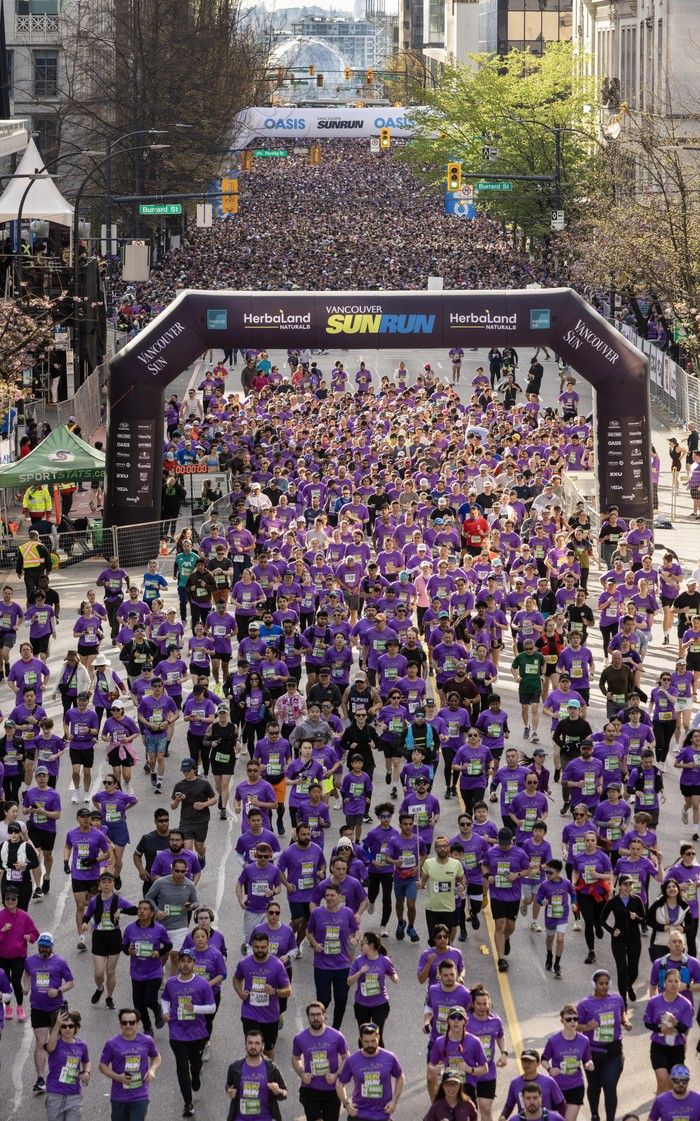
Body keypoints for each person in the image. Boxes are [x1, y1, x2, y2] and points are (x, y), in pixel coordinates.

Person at [161, 948, 215, 1117]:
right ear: (178, 963)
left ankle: (196, 1075)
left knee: (195, 1064)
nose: (185, 965)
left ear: (194, 964)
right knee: (182, 1068)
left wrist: (195, 1008)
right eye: (182, 961)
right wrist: (165, 1012)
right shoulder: (171, 983)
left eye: (188, 961)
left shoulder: (202, 984)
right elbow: (165, 999)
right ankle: (188, 1102)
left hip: (197, 1033)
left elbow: (211, 1007)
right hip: (177, 1033)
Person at [23, 931, 75, 1095]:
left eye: (46, 947)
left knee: (57, 1043)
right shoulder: (30, 961)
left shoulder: (60, 962)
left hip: (56, 1009)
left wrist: (58, 991)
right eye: (41, 946)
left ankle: (59, 1074)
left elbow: (71, 982)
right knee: (40, 1042)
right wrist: (25, 986)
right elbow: (26, 974)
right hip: (37, 1007)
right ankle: (40, 1079)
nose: (43, 949)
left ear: (52, 946)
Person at [576, 969, 631, 1121]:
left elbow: (622, 1013)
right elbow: (575, 1025)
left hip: (613, 1052)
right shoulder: (584, 1004)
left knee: (609, 1085)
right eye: (601, 983)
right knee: (594, 1086)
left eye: (607, 983)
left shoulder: (617, 999)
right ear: (594, 984)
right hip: (592, 1053)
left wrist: (625, 1022)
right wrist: (587, 1027)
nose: (605, 986)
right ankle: (594, 1114)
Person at [306, 883, 359, 1031]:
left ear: (340, 897)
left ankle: (335, 1029)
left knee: (341, 999)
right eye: (327, 896)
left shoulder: (347, 913)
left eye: (332, 895)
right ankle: (321, 1023)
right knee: (324, 999)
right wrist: (315, 944)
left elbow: (357, 929)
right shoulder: (317, 913)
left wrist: (356, 939)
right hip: (322, 965)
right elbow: (308, 932)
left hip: (342, 964)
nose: (329, 898)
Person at [82, 869, 138, 1010]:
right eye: (104, 882)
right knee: (99, 972)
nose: (106, 885)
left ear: (113, 884)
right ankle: (100, 988)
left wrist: (121, 910)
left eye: (109, 882)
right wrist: (84, 923)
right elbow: (87, 916)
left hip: (114, 936)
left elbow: (135, 910)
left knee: (110, 971)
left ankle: (109, 997)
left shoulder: (118, 900)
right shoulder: (94, 901)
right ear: (99, 884)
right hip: (99, 937)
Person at [232, 930, 291, 1058]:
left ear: (268, 946)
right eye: (257, 947)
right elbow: (236, 979)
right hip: (250, 1014)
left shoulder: (277, 965)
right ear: (252, 946)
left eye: (263, 947)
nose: (260, 950)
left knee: (268, 1051)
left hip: (270, 1016)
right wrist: (240, 992)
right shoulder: (244, 963)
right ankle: (254, 1069)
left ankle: (269, 1069)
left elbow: (288, 990)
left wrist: (274, 991)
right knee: (253, 1048)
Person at [99, 1007, 161, 1121]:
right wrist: (118, 1077)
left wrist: (152, 1070)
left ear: (138, 1024)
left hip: (140, 1095)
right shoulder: (111, 1043)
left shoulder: (147, 1041)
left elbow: (156, 1057)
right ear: (120, 1024)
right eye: (124, 1023)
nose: (128, 1025)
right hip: (119, 1096)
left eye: (132, 1022)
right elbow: (102, 1066)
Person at [121, 899, 172, 1036]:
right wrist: (129, 951)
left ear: (152, 913)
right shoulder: (130, 928)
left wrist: (159, 952)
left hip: (154, 972)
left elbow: (168, 945)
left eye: (145, 909)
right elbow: (124, 946)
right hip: (136, 972)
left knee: (149, 999)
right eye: (140, 909)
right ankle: (147, 1027)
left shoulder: (159, 929)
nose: (142, 911)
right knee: (138, 1004)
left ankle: (157, 1009)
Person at [292, 1000, 349, 1121]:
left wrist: (336, 1075)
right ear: (308, 1017)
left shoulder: (337, 1036)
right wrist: (302, 1074)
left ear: (324, 1015)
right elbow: (295, 1058)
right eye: (312, 1015)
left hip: (331, 1089)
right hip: (310, 1088)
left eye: (318, 1014)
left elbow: (346, 1057)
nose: (316, 1018)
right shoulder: (300, 1038)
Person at [336, 1022, 404, 1119]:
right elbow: (340, 1083)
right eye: (366, 1042)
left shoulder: (389, 1057)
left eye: (373, 1041)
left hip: (382, 1114)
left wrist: (394, 1101)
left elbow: (400, 1077)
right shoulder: (352, 1060)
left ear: (378, 1038)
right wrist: (347, 1104)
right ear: (361, 1040)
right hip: (359, 1114)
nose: (370, 1045)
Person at [644, 968, 694, 1093]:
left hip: (677, 1048)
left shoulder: (686, 1004)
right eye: (670, 981)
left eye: (676, 981)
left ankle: (663, 1103)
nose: (673, 984)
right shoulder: (654, 1001)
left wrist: (675, 1022)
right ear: (664, 983)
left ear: (679, 983)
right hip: (659, 1046)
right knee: (662, 1082)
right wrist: (660, 1028)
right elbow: (647, 1022)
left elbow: (685, 1028)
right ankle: (659, 1104)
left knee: (672, 1086)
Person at [542, 1005, 594, 1121]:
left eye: (575, 1019)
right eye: (568, 1019)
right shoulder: (553, 1040)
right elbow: (544, 1059)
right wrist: (550, 1069)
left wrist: (589, 1064)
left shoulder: (584, 1040)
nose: (572, 1022)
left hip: (576, 1086)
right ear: (562, 1021)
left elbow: (587, 1059)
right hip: (556, 1087)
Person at [145, 859, 198, 973]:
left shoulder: (190, 885)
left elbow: (196, 902)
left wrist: (191, 907)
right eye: (177, 870)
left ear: (186, 871)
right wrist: (156, 911)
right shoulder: (160, 882)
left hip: (180, 927)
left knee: (175, 956)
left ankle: (172, 982)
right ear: (172, 870)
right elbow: (148, 897)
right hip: (161, 926)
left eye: (182, 871)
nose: (179, 874)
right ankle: (158, 975)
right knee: (161, 957)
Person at [599, 874, 645, 1005]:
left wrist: (636, 917)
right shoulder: (613, 902)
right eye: (626, 884)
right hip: (618, 939)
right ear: (620, 885)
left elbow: (644, 920)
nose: (628, 887)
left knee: (633, 971)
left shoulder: (636, 900)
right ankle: (623, 1001)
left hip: (634, 939)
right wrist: (612, 930)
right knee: (622, 970)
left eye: (630, 884)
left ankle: (628, 986)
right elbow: (602, 920)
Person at [347, 931, 398, 1046]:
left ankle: (380, 1056)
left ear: (372, 945)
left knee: (377, 1036)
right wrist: (360, 972)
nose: (361, 945)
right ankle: (363, 1056)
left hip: (380, 1004)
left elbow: (392, 973)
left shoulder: (384, 960)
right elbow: (349, 981)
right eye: (361, 942)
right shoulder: (359, 960)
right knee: (363, 1036)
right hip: (361, 1004)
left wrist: (394, 977)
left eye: (363, 943)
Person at [225, 1027, 288, 1121]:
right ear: (245, 1045)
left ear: (262, 1046)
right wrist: (229, 1090)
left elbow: (285, 1093)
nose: (253, 1046)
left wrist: (278, 1090)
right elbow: (228, 1084)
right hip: (240, 1118)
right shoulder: (235, 1068)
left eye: (257, 1043)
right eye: (250, 1043)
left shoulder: (272, 1069)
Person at [44, 1007, 90, 1121]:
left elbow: (86, 1061)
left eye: (71, 1026)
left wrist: (86, 1072)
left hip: (74, 1095)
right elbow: (50, 1048)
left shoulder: (82, 1045)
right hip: (55, 1094)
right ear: (60, 1028)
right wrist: (57, 1024)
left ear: (76, 1027)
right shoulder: (55, 1044)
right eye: (63, 1026)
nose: (67, 1029)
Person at [0, 885, 38, 1020]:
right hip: (2, 956)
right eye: (7, 898)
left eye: (13, 899)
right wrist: (2, 931)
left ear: (17, 900)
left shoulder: (24, 916)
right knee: (5, 982)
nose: (10, 901)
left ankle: (20, 1007)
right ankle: (8, 1006)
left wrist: (30, 937)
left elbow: (35, 933)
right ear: (4, 900)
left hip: (19, 956)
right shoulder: (0, 916)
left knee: (16, 981)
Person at [170, 758, 217, 867]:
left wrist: (204, 804)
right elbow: (172, 806)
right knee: (187, 849)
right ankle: (189, 871)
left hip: (202, 820)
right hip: (186, 821)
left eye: (187, 770)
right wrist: (177, 800)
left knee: (199, 847)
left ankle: (202, 855)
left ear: (194, 769)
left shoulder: (204, 784)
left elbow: (214, 799)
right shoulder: (179, 786)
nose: (185, 773)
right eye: (183, 771)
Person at [420, 836, 466, 945]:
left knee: (445, 941)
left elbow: (462, 879)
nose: (442, 849)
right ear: (435, 848)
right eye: (439, 846)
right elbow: (423, 882)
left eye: (445, 846)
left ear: (449, 848)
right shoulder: (428, 863)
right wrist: (419, 884)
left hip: (448, 908)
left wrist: (462, 886)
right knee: (433, 940)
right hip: (432, 908)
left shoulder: (456, 864)